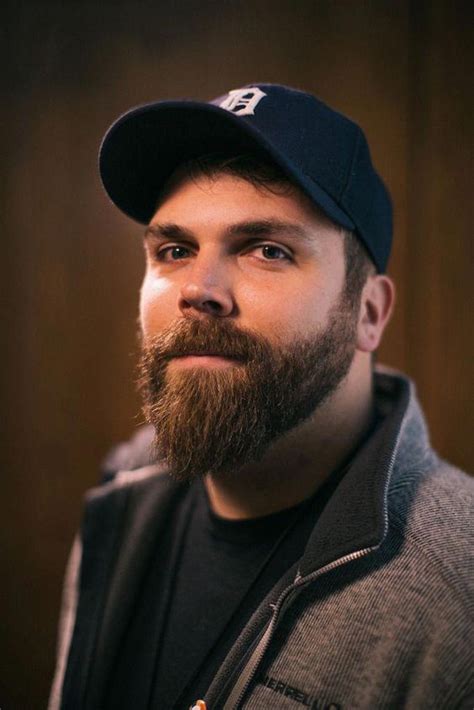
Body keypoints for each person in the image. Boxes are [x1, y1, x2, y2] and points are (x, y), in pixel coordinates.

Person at [49, 84, 473, 710]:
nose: (200, 289)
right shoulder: (120, 499)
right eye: (175, 250)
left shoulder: (457, 588)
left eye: (267, 250)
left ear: (369, 312)